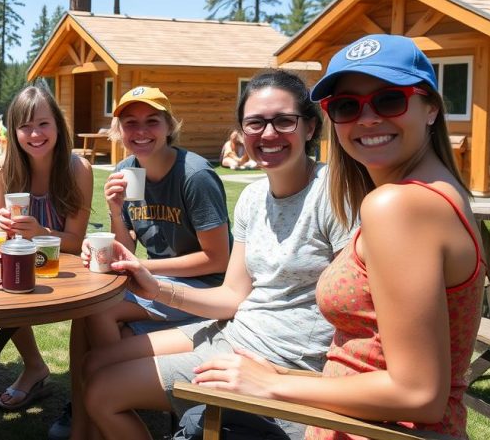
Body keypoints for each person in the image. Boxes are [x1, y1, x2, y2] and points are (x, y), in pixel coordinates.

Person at [188, 35, 485, 439]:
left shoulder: (399, 206)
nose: (367, 119)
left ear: (430, 107)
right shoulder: (435, 191)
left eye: (389, 100)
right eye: (347, 106)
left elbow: (419, 394)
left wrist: (273, 384)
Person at [82, 70, 351, 440]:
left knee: (102, 390)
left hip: (280, 361)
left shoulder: (335, 195)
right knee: (96, 363)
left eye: (284, 121)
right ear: (241, 133)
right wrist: (154, 286)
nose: (268, 134)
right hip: (235, 330)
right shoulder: (253, 199)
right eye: (255, 123)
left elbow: (359, 313)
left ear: (309, 127)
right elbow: (232, 297)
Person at [54, 86, 231, 440]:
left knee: (101, 311)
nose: (140, 131)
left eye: (152, 121)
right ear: (119, 130)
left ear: (169, 126)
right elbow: (126, 247)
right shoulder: (127, 170)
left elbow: (218, 257)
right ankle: (99, 410)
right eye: (130, 123)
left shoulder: (193, 175)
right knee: (89, 311)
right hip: (159, 283)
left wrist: (146, 270)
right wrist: (116, 211)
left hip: (205, 290)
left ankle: (104, 406)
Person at [0, 86, 93, 410]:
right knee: (4, 283)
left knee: (90, 310)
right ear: (13, 131)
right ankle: (34, 366)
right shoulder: (6, 167)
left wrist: (42, 232)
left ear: (58, 125)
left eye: (43, 124)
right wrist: (2, 225)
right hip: (21, 262)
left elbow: (74, 242)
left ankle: (84, 397)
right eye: (25, 126)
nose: (35, 134)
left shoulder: (77, 169)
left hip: (66, 268)